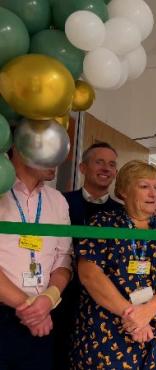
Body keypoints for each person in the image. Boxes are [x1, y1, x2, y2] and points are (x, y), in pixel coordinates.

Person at [69, 160, 156, 370]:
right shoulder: (102, 223)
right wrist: (133, 315)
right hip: (108, 334)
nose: (154, 194)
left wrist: (149, 311)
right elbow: (90, 274)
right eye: (145, 187)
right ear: (124, 191)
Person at [0, 148, 73, 370]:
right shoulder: (1, 193)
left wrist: (48, 299)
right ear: (22, 149)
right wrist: (30, 308)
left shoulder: (57, 200)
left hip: (44, 316)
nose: (57, 159)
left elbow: (64, 259)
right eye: (49, 150)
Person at [53, 142, 123, 369]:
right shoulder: (60, 202)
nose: (106, 168)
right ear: (82, 168)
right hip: (61, 296)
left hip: (103, 303)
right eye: (99, 162)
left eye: (111, 164)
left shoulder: (122, 212)